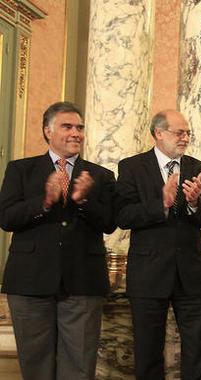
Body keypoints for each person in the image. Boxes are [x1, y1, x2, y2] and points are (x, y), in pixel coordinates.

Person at [0, 101, 116, 379]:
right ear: (47, 131)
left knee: (78, 367)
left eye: (80, 127)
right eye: (67, 126)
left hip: (83, 283)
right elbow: (6, 218)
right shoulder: (20, 170)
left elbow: (110, 223)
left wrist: (83, 200)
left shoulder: (100, 175)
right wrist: (45, 202)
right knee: (36, 365)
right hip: (30, 282)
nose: (76, 133)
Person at [115, 110, 201, 379]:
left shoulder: (198, 168)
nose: (185, 138)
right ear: (158, 133)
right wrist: (160, 203)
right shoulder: (132, 167)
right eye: (179, 132)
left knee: (198, 347)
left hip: (191, 272)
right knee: (148, 349)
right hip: (148, 271)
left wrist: (196, 203)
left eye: (187, 133)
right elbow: (123, 216)